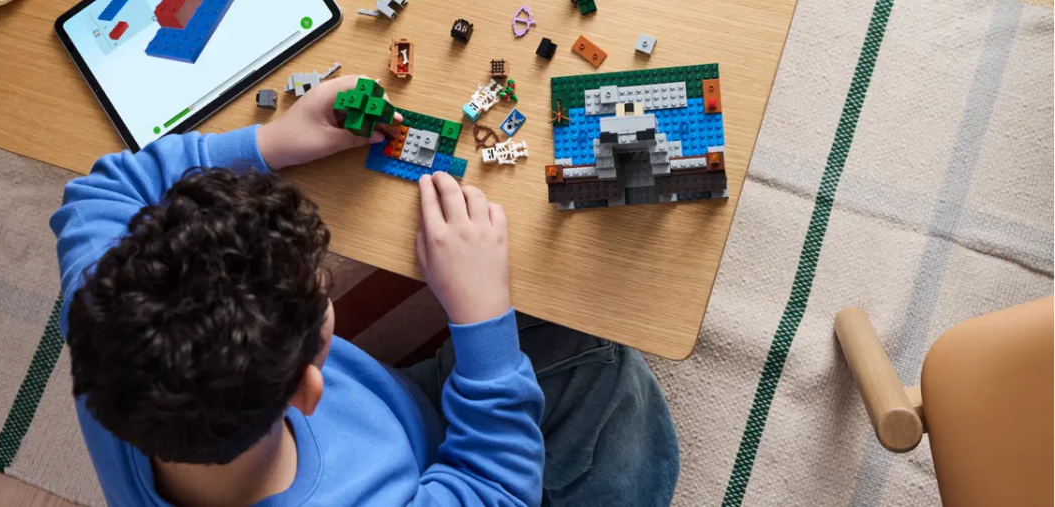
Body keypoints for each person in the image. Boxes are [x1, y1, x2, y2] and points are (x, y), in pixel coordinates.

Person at [52, 74, 679, 507]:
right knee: (616, 386)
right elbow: (491, 488)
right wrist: (480, 312)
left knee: (571, 332)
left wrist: (269, 143)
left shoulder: (107, 319)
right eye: (323, 288)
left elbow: (98, 193)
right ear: (307, 387)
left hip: (394, 410)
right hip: (446, 470)